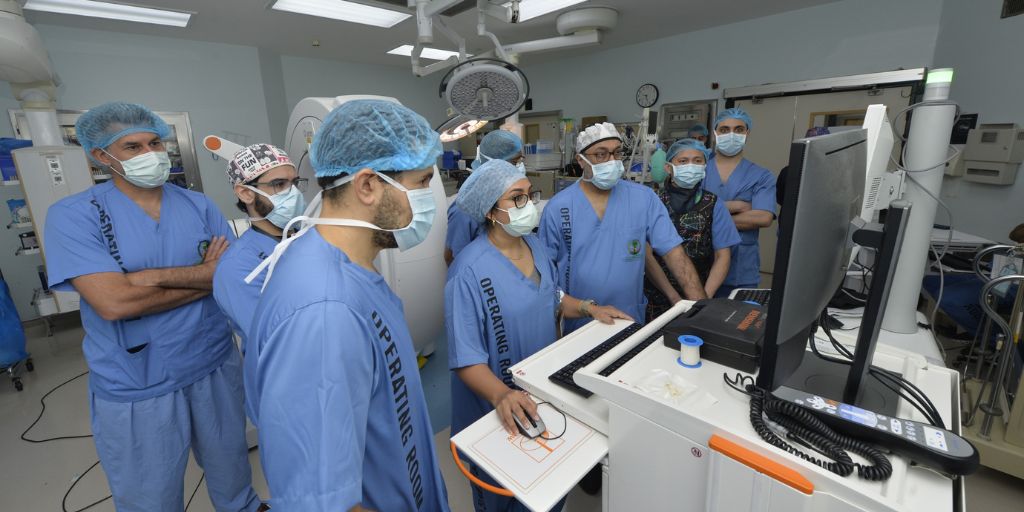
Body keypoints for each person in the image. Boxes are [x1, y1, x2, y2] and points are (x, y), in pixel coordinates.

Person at [43, 102, 263, 511]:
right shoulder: (74, 216)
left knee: (232, 465)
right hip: (137, 378)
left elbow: (229, 277)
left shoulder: (198, 205)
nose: (150, 154)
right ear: (101, 155)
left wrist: (143, 279)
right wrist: (202, 275)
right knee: (151, 493)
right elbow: (113, 303)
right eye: (133, 147)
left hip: (212, 361)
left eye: (155, 143)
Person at [248, 99, 449, 511]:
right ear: (368, 185)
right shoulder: (324, 310)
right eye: (422, 182)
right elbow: (322, 503)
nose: (427, 198)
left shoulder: (351, 267)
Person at [446, 160, 631, 512]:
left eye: (530, 195)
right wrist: (502, 395)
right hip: (493, 403)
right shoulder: (467, 272)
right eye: (517, 198)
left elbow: (552, 297)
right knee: (502, 495)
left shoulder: (537, 248)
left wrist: (589, 308)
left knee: (545, 493)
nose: (528, 205)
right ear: (490, 211)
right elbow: (466, 358)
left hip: (541, 395)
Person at [538, 122, 706, 334]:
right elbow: (545, 278)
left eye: (616, 153)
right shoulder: (559, 207)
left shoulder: (643, 198)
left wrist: (702, 310)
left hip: (629, 315)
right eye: (601, 154)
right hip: (579, 320)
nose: (612, 161)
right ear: (581, 160)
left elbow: (674, 254)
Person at [211, 142, 305, 425]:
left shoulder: (306, 238)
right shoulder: (238, 267)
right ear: (245, 192)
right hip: (287, 392)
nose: (293, 193)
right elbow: (279, 344)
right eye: (279, 184)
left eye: (294, 182)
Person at [645, 139, 741, 319]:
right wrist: (673, 297)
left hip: (702, 289)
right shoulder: (653, 202)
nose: (691, 166)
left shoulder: (713, 204)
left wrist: (702, 299)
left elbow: (722, 256)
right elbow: (647, 257)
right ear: (668, 168)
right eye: (683, 161)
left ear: (705, 166)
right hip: (657, 294)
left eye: (697, 161)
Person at [703, 107, 776, 297]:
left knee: (737, 314)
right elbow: (685, 213)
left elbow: (763, 217)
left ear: (747, 133)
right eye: (724, 129)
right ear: (715, 133)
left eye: (739, 129)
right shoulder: (699, 170)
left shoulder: (761, 176)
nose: (731, 134)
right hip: (700, 264)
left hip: (741, 269)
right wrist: (736, 207)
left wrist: (705, 216)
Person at [446, 130, 525, 265]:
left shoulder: (506, 197)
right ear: (492, 164)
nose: (520, 167)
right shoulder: (465, 208)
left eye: (521, 161)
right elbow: (453, 258)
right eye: (514, 162)